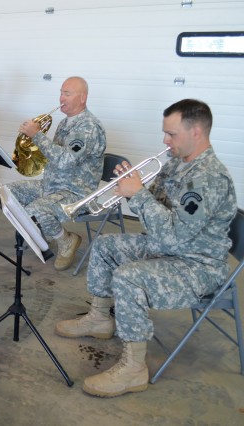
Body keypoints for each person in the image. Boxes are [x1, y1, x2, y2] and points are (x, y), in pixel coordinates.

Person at [55, 99, 237, 397]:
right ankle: (100, 318)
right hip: (171, 250)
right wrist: (133, 186)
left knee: (129, 277)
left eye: (172, 134)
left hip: (198, 266)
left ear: (197, 132)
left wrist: (138, 196)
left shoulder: (209, 178)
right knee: (104, 245)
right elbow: (160, 209)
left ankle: (133, 369)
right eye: (164, 133)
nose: (165, 140)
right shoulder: (179, 161)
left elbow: (172, 238)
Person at [5, 76, 106, 270]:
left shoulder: (88, 127)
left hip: (76, 192)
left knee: (35, 209)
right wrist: (30, 144)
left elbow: (66, 160)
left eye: (67, 94)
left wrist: (37, 135)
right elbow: (52, 155)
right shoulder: (65, 123)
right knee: (8, 193)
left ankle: (67, 240)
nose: (61, 98)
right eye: (61, 93)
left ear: (82, 98)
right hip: (52, 186)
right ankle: (39, 232)